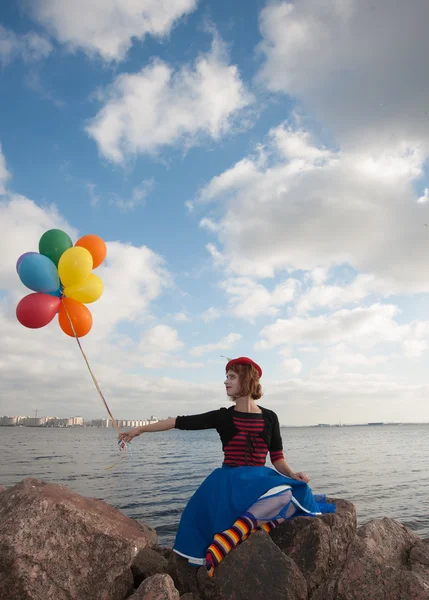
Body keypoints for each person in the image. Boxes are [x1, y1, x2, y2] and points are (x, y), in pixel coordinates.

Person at [119, 357, 335, 577]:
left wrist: (292, 474)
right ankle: (246, 530)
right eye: (226, 377)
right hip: (229, 483)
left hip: (258, 480)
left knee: (294, 493)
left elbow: (277, 457)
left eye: (232, 376)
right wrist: (140, 430)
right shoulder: (224, 416)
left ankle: (232, 535)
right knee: (286, 500)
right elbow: (177, 422)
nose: (225, 382)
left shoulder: (270, 417)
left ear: (247, 379)